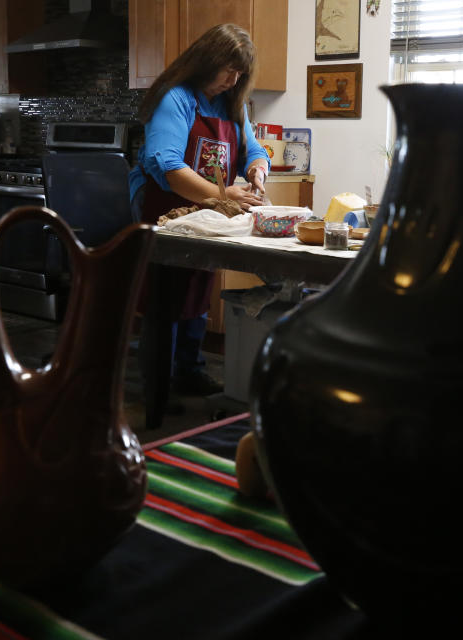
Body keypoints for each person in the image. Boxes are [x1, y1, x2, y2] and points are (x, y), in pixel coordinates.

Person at [129, 23, 271, 429]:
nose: (234, 79)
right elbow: (169, 166)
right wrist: (224, 197)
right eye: (229, 69)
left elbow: (253, 148)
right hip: (166, 209)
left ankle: (187, 369)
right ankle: (157, 388)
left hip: (206, 214)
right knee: (166, 298)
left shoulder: (231, 103)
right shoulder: (176, 98)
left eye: (240, 74)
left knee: (198, 287)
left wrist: (258, 170)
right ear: (206, 62)